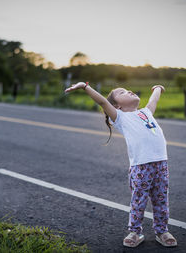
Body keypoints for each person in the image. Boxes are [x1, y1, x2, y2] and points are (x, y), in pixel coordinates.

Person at [64, 82, 177, 248]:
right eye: (122, 92)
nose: (129, 90)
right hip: (141, 166)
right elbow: (102, 102)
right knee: (139, 201)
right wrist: (85, 87)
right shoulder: (120, 117)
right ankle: (135, 232)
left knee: (161, 199)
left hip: (161, 164)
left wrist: (158, 88)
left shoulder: (146, 112)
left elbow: (153, 101)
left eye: (127, 89)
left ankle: (162, 231)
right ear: (116, 105)